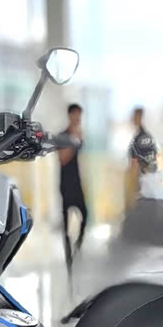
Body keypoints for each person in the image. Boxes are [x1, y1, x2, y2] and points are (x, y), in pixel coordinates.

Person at [57, 103, 87, 268]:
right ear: (70, 115)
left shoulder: (79, 135)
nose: (78, 118)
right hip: (66, 183)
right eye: (76, 115)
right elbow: (63, 159)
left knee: (85, 214)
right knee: (66, 222)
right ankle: (68, 256)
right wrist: (74, 142)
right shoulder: (63, 136)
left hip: (77, 181)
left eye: (79, 116)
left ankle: (78, 247)